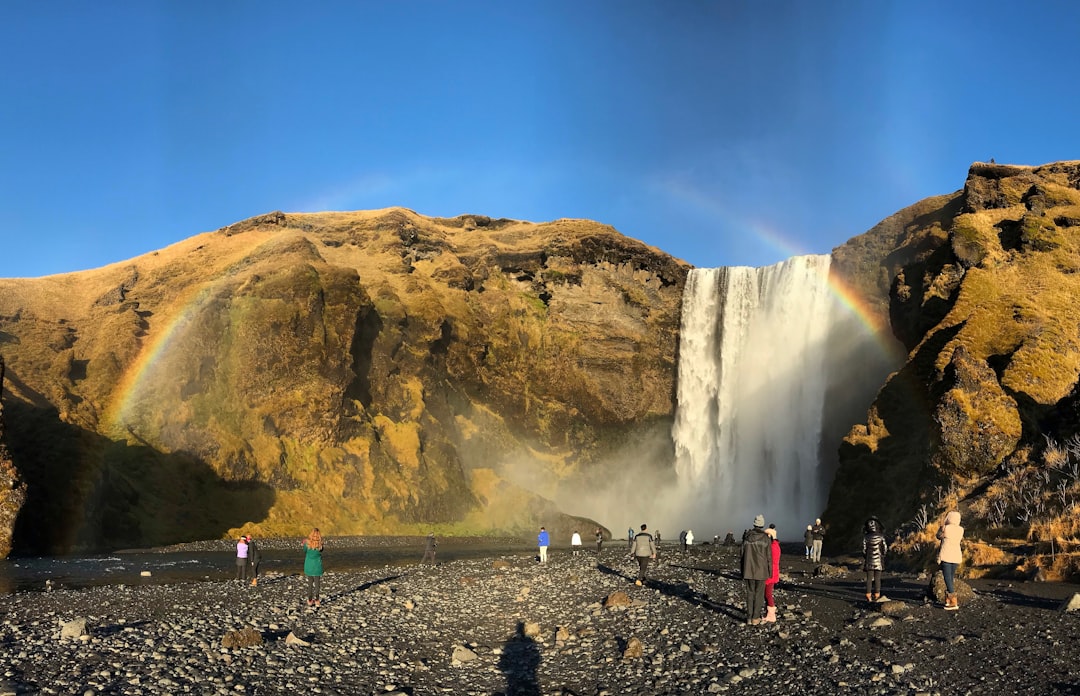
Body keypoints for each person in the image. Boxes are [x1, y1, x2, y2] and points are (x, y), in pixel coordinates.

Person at [741, 514, 771, 625]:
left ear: (754, 524)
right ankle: (755, 618)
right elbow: (769, 557)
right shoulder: (766, 538)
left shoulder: (747, 537)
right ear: (762, 525)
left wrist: (742, 571)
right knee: (759, 594)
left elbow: (742, 555)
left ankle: (749, 618)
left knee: (750, 593)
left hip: (748, 570)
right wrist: (770, 572)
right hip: (762, 571)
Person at [936, 510, 965, 610]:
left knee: (947, 578)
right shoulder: (961, 529)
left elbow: (938, 536)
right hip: (956, 556)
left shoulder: (945, 528)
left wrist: (941, 527)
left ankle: (953, 602)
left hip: (946, 555)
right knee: (950, 578)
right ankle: (948, 600)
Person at [863, 517, 888, 603]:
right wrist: (882, 555)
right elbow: (885, 548)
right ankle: (877, 595)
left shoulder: (866, 537)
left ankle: (868, 595)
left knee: (869, 579)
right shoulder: (881, 536)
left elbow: (864, 550)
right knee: (877, 579)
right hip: (878, 561)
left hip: (869, 560)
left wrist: (866, 557)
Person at [303, 528, 324, 608]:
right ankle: (317, 600)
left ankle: (310, 600)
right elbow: (321, 551)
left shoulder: (307, 544)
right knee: (317, 584)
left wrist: (305, 542)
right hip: (317, 566)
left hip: (309, 565)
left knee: (310, 584)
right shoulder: (320, 545)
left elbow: (304, 551)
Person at [763, 526, 781, 622]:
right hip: (772, 573)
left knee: (768, 594)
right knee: (767, 594)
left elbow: (769, 561)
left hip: (770, 574)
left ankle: (771, 615)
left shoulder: (773, 547)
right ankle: (769, 613)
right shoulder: (775, 546)